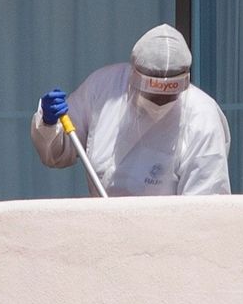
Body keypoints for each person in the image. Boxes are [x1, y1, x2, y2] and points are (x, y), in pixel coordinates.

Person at [30, 23, 231, 196]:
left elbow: (204, 204)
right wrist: (49, 124)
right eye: (152, 94)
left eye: (168, 95)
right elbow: (56, 154)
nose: (159, 102)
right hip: (101, 223)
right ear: (133, 74)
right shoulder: (104, 88)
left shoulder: (202, 116)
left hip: (165, 232)